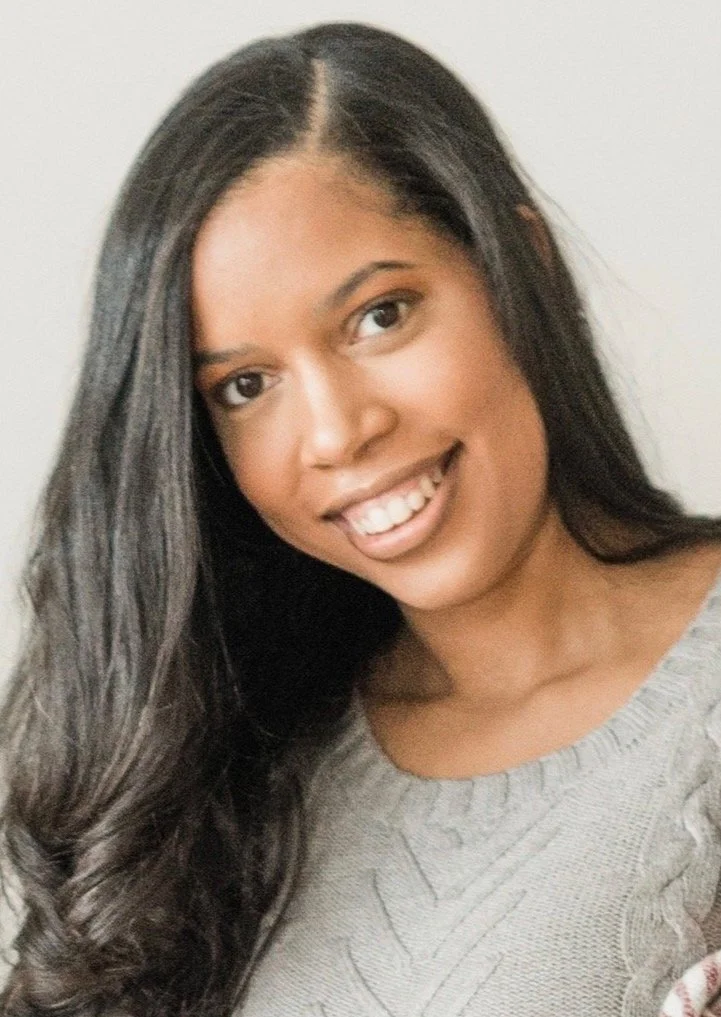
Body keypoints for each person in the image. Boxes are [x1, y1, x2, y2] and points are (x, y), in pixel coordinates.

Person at [2, 20, 721, 1017]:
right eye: (245, 385)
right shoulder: (223, 783)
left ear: (523, 265)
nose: (337, 432)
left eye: (380, 316)